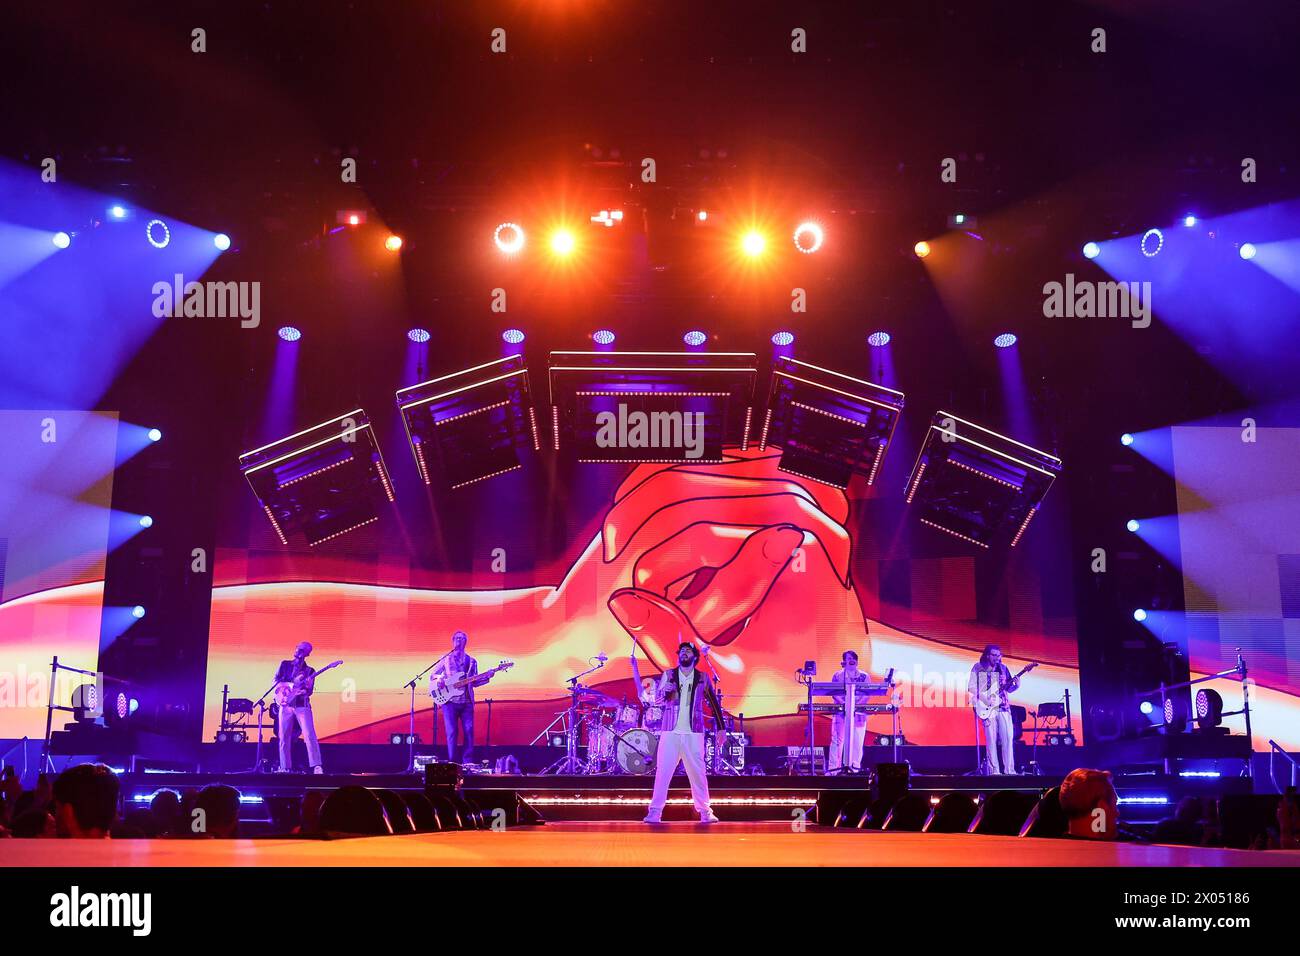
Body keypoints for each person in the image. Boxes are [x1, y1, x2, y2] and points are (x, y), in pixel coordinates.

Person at [643, 641, 724, 824]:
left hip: (693, 732)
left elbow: (713, 703)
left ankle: (705, 811)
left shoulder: (703, 677)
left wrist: (721, 728)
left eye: (688, 651)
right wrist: (665, 690)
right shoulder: (669, 675)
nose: (684, 653)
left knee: (698, 772)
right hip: (670, 731)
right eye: (682, 651)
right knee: (663, 771)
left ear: (695, 657)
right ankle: (655, 812)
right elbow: (657, 701)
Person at [429, 630, 490, 765]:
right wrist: (441, 679)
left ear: (465, 642)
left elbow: (474, 682)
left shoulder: (472, 661)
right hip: (450, 702)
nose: (459, 640)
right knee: (452, 733)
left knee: (469, 731)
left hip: (467, 702)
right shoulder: (446, 659)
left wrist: (487, 677)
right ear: (453, 641)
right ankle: (452, 762)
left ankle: (467, 762)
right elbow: (432, 675)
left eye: (462, 638)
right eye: (457, 638)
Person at [968, 645, 1019, 775]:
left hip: (1003, 707)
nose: (997, 658)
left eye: (998, 655)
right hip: (988, 708)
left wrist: (1016, 686)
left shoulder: (1003, 668)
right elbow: (972, 687)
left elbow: (1008, 688)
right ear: (987, 655)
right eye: (994, 655)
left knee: (1008, 738)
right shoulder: (978, 667)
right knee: (991, 741)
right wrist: (985, 699)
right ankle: (994, 772)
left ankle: (1009, 771)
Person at [274, 641, 324, 773]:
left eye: (303, 650)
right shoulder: (284, 665)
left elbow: (309, 691)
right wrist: (284, 691)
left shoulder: (309, 671)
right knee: (283, 737)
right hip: (285, 705)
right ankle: (285, 767)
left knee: (309, 735)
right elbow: (275, 681)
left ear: (307, 654)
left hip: (302, 705)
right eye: (298, 648)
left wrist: (306, 688)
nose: (299, 651)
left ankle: (316, 766)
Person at [828, 650, 871, 773]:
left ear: (857, 661)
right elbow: (834, 694)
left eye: (853, 659)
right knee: (837, 740)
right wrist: (845, 704)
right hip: (841, 714)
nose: (851, 661)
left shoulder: (864, 676)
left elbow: (867, 693)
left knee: (857, 742)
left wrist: (856, 705)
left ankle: (855, 769)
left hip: (858, 714)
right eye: (848, 659)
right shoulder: (837, 675)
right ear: (843, 662)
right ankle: (833, 770)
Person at [52, 763, 119, 839]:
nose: (55, 816)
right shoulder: (130, 849)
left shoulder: (48, 850)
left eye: (57, 807)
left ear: (68, 812)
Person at [1058, 767, 1119, 840]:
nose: (1117, 813)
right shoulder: (1123, 848)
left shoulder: (1053, 849)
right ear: (1101, 808)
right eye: (1114, 804)